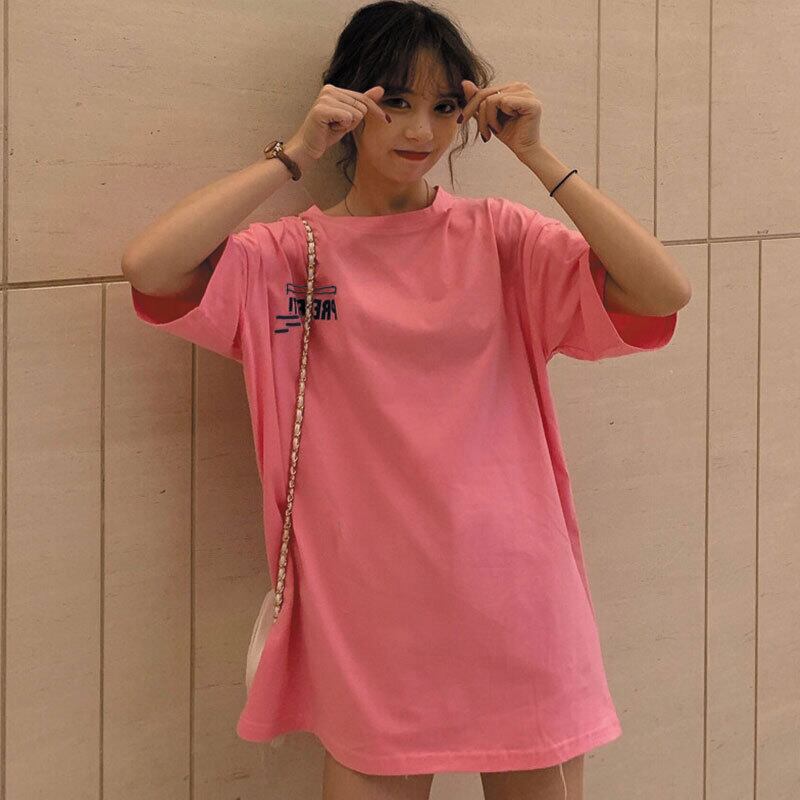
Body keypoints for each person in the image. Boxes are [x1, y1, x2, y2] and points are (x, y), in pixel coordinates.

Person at [120, 3, 690, 798]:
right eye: (395, 101)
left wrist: (538, 157)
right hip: (370, 616)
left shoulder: (501, 240)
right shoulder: (290, 258)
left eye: (445, 105)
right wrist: (294, 154)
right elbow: (151, 267)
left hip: (515, 595)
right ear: (349, 101)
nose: (421, 129)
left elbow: (662, 292)